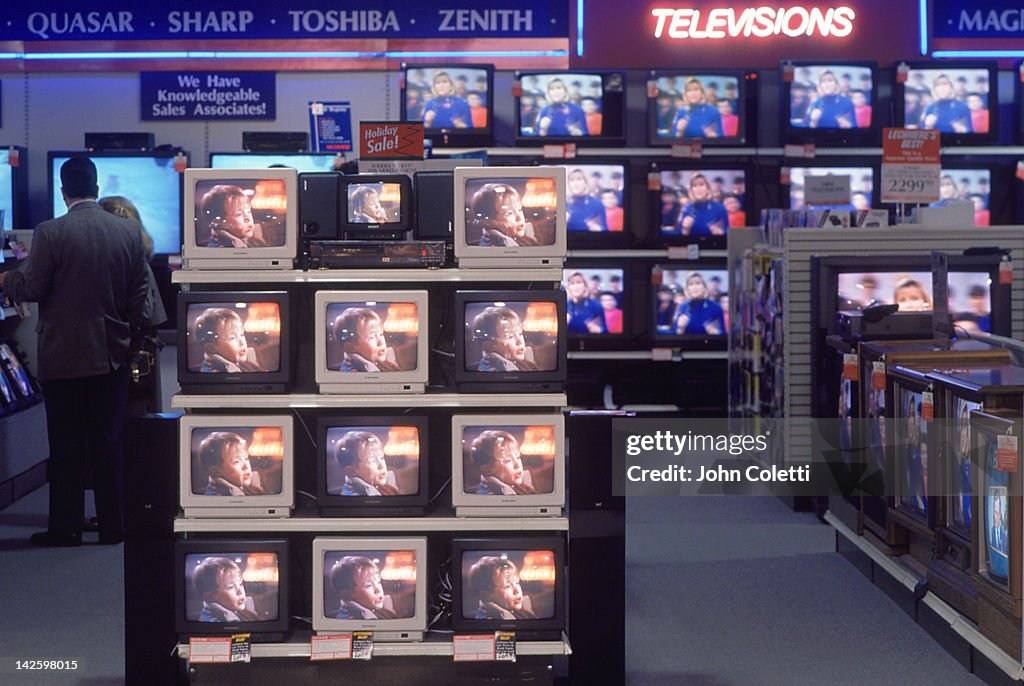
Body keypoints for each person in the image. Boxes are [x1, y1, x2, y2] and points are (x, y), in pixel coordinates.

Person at [0, 156, 150, 546]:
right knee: (108, 440)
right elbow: (139, 298)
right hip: (111, 353)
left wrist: (7, 279)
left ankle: (65, 528)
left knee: (66, 445)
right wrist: (127, 337)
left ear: (63, 191)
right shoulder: (127, 233)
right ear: (96, 190)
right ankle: (114, 526)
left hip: (63, 356)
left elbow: (31, 288)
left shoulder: (50, 232)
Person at [330, 430, 400, 496]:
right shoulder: (353, 496)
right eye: (372, 461)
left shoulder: (386, 486)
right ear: (351, 471)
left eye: (381, 458)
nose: (381, 466)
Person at [194, 307, 263, 373]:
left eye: (241, 335)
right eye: (232, 338)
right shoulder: (214, 373)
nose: (242, 342)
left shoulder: (247, 363)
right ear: (211, 348)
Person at [332, 307, 401, 372]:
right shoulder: (352, 374)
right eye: (371, 337)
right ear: (350, 347)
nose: (380, 342)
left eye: (381, 334)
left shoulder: (387, 363)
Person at [471, 306, 539, 372]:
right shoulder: (491, 372)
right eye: (510, 336)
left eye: (520, 334)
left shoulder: (527, 362)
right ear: (489, 346)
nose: (519, 341)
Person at [193, 557, 260, 623]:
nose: (240, 591)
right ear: (210, 596)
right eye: (231, 587)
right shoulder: (211, 622)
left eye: (240, 584)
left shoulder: (241, 610)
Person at [470, 183, 539, 247]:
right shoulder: (492, 246)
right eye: (509, 213)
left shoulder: (529, 237)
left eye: (520, 209)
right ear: (490, 222)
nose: (519, 218)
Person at [329, 556, 398, 620]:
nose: (378, 590)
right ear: (346, 594)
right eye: (369, 585)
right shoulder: (350, 620)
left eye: (379, 582)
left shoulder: (382, 611)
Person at [199, 184, 267, 248]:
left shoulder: (255, 240)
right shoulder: (220, 248)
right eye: (239, 214)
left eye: (248, 211)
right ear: (219, 222)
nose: (248, 219)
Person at [469, 556, 537, 620]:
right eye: (507, 586)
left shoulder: (523, 612)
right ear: (486, 595)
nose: (517, 591)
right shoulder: (487, 619)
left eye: (517, 583)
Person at [470, 429, 536, 495]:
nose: (517, 465)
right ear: (487, 469)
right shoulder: (490, 496)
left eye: (518, 457)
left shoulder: (521, 486)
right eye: (507, 460)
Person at [566, 169, 607, 233]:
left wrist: (599, 229)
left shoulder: (597, 203)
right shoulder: (562, 203)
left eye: (579, 179)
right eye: (572, 180)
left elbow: (607, 231)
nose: (575, 183)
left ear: (585, 183)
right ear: (568, 184)